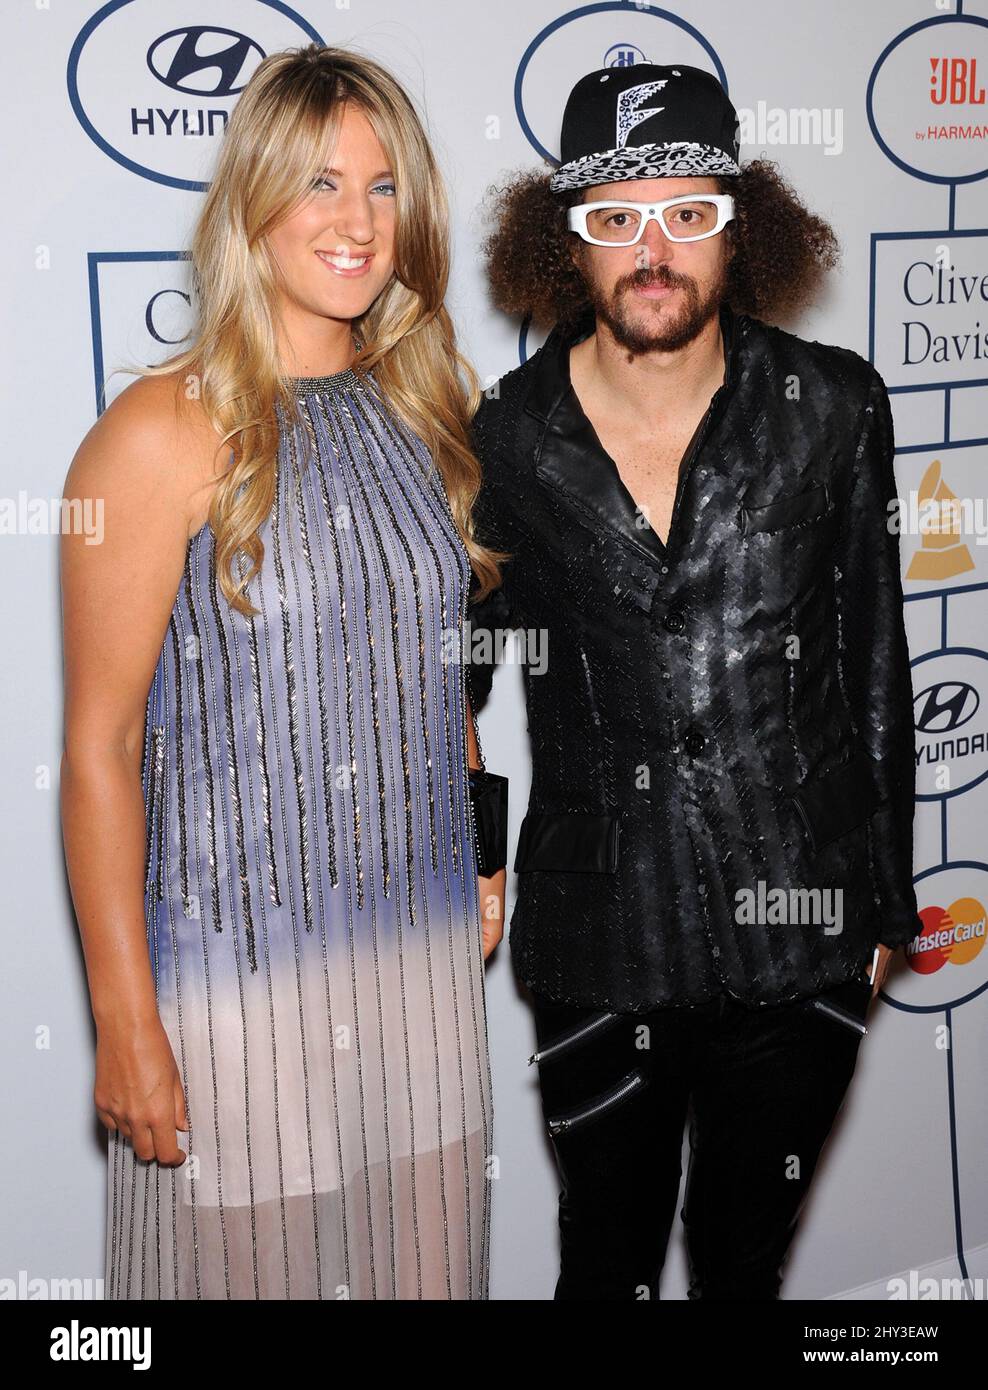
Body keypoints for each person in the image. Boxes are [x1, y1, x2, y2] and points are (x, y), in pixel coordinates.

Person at [59, 43, 505, 1301]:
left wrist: (482, 847)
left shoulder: (424, 409)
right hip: (236, 994)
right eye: (318, 183)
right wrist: (125, 1021)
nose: (356, 222)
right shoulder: (159, 431)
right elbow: (99, 747)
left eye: (381, 187)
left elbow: (443, 678)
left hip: (417, 980)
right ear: (252, 199)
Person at [467, 63, 920, 1299]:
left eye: (686, 212)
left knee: (742, 1266)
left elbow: (876, 658)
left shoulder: (832, 406)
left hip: (805, 938)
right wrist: (479, 851)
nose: (651, 250)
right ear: (565, 243)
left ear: (741, 219)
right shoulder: (503, 435)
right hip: (596, 942)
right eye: (614, 219)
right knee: (601, 1269)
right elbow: (444, 675)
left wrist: (885, 906)